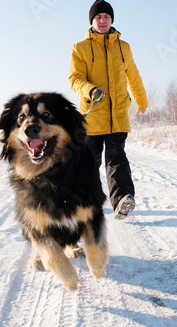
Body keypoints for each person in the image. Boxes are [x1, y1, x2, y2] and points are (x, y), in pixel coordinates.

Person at [69, 0, 148, 220]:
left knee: (117, 159)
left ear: (112, 19)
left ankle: (122, 200)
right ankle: (86, 203)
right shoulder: (80, 48)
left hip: (118, 115)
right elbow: (75, 79)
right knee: (90, 163)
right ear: (92, 21)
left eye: (106, 17)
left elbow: (133, 75)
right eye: (98, 17)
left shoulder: (124, 47)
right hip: (93, 116)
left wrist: (142, 102)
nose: (102, 21)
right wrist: (90, 89)